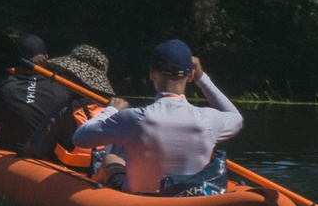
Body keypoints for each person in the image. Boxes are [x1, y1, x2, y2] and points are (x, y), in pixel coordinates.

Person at [66, 39, 242, 194]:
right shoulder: (208, 120)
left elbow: (80, 138)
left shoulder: (133, 119)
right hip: (192, 200)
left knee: (110, 159)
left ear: (152, 73)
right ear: (190, 77)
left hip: (138, 202)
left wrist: (111, 109)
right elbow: (236, 117)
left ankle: (98, 197)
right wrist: (202, 78)